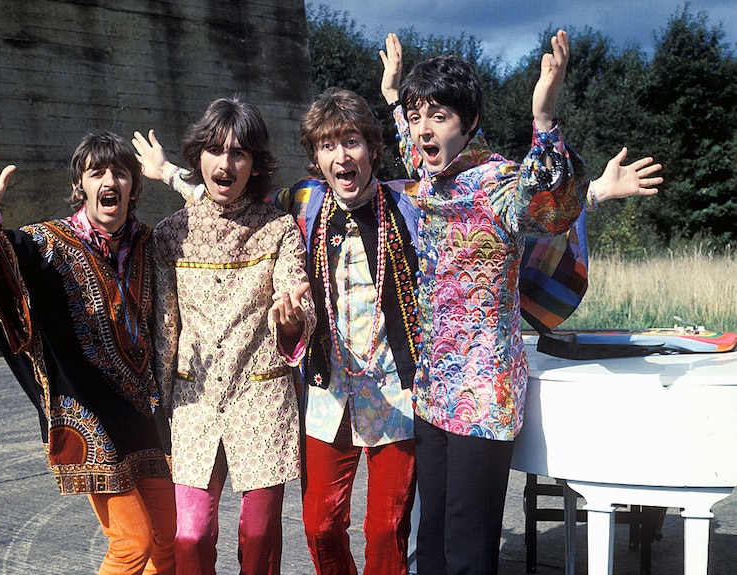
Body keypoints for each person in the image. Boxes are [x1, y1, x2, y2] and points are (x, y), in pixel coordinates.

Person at [378, 31, 662, 574]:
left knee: (467, 546)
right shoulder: (433, 172)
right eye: (419, 115)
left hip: (483, 392)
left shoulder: (500, 181)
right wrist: (395, 97)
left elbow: (549, 212)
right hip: (435, 385)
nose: (422, 128)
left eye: (437, 115)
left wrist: (546, 120)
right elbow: (409, 145)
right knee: (431, 537)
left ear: (469, 120)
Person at [0, 129, 176, 575]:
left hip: (146, 414)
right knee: (131, 544)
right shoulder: (46, 245)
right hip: (88, 417)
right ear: (82, 187)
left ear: (134, 185)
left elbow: (220, 212)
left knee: (168, 540)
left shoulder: (154, 246)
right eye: (97, 173)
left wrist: (172, 174)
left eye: (120, 172)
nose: (109, 180)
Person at [143, 97, 317, 575]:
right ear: (198, 156)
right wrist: (158, 409)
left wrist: (292, 321)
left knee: (259, 535)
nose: (225, 163)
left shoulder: (279, 229)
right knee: (191, 534)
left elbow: (296, 295)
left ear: (255, 163)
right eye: (215, 150)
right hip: (193, 401)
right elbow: (164, 327)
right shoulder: (170, 234)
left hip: (261, 399)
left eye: (239, 153)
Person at [270, 87, 420, 575]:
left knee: (386, 527)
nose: (341, 155)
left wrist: (588, 194)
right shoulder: (305, 201)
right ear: (316, 157)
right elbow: (234, 199)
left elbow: (479, 200)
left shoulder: (409, 205)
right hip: (328, 387)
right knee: (318, 525)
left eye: (351, 141)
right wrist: (171, 175)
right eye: (328, 145)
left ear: (372, 149)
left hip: (395, 389)